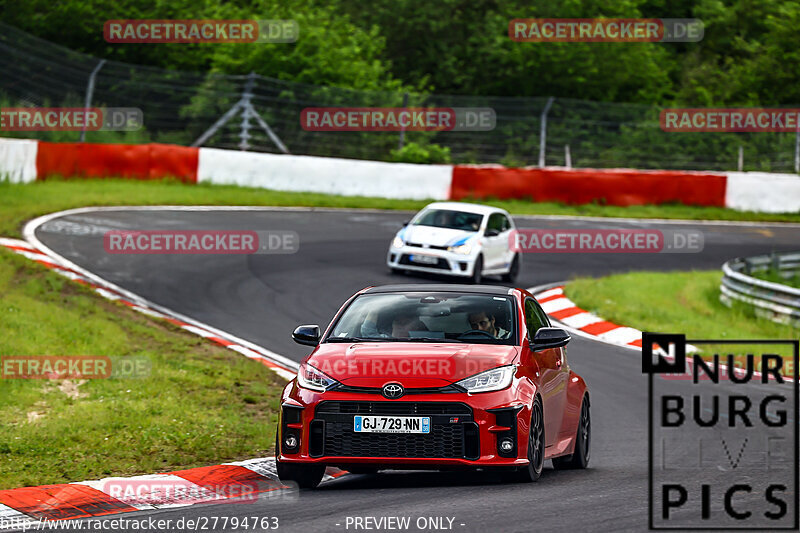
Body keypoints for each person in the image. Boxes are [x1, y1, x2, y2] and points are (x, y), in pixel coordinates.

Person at [361, 308, 428, 338]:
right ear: (392, 325)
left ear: (415, 327)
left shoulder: (423, 343)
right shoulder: (383, 341)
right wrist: (376, 308)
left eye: (405, 323)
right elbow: (367, 331)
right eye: (397, 322)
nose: (400, 327)